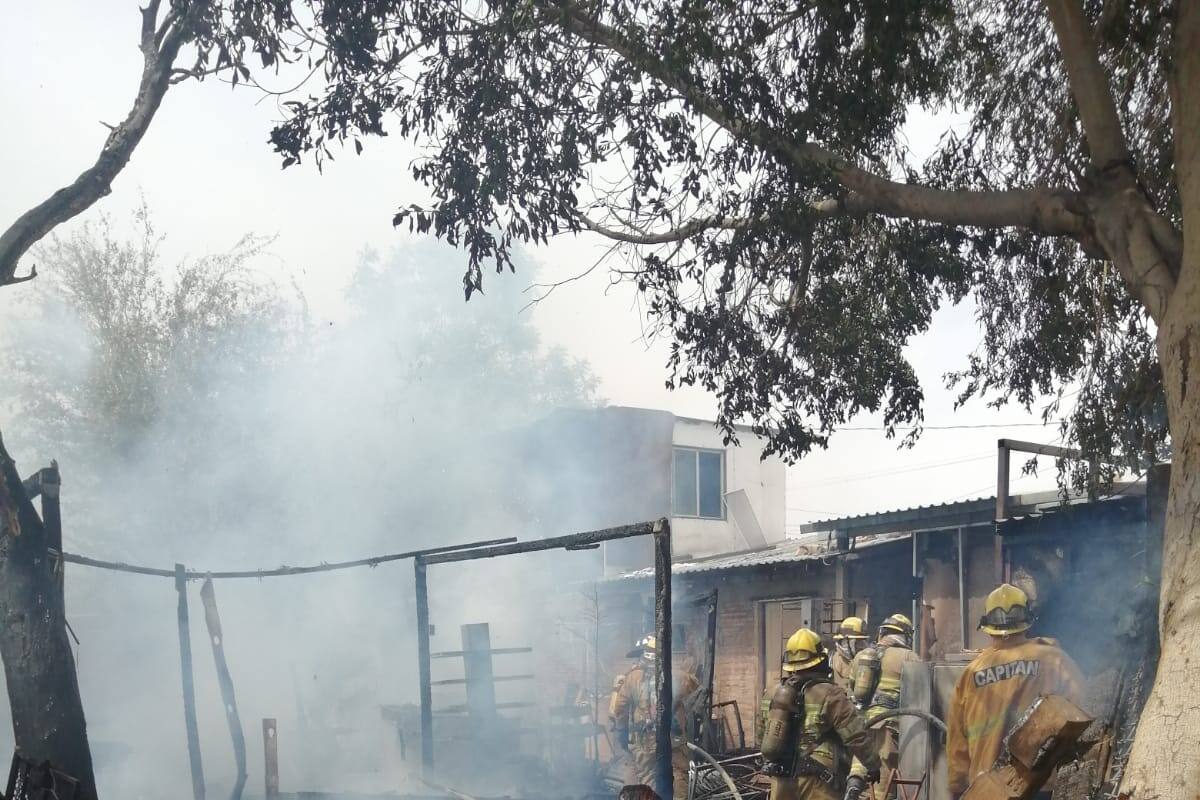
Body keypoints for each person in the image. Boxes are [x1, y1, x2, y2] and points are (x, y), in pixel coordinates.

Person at [947, 584, 1085, 799]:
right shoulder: (1055, 660)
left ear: (987, 625)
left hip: (984, 789)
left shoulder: (970, 673)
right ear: (1026, 621)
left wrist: (957, 787)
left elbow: (957, 743)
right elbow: (1082, 713)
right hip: (1038, 786)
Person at [760, 628, 881, 800]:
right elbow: (855, 737)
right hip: (817, 779)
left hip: (780, 778)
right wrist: (873, 765)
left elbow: (761, 737)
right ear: (820, 660)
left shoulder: (771, 693)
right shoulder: (830, 694)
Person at [609, 634, 700, 800]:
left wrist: (621, 733)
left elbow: (619, 710)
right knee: (679, 774)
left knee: (647, 780)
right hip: (674, 740)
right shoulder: (676, 676)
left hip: (645, 740)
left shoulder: (632, 677)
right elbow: (694, 684)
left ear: (644, 655)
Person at [848, 614, 921, 798]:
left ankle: (854, 788)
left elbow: (853, 688)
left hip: (862, 723)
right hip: (888, 726)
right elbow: (921, 692)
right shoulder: (909, 657)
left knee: (860, 765)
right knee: (883, 779)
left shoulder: (860, 657)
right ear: (905, 635)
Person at [831, 617, 869, 690]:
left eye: (863, 641)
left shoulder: (862, 659)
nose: (862, 646)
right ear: (845, 642)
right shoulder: (833, 660)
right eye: (858, 641)